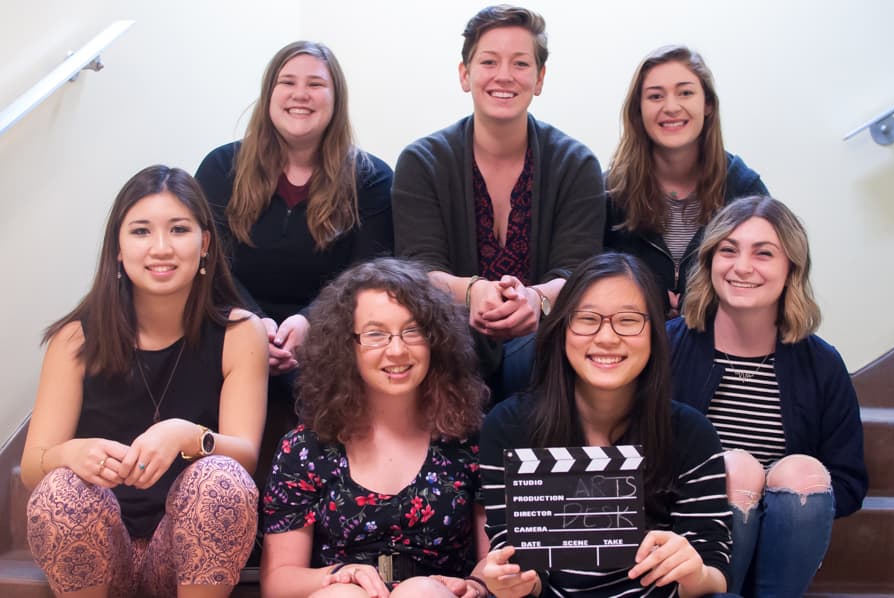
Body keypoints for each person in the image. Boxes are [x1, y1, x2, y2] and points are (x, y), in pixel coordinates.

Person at [20, 165, 269, 597]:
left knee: (223, 478)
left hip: (184, 548)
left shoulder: (240, 332)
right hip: (100, 544)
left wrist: (189, 436)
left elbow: (245, 456)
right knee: (60, 486)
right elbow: (32, 465)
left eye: (178, 229)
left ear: (204, 243)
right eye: (140, 232)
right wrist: (70, 452)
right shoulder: (76, 337)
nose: (161, 248)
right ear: (117, 247)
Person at [479, 253, 732, 597]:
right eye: (587, 319)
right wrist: (511, 582)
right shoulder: (509, 427)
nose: (608, 337)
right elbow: (518, 562)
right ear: (562, 329)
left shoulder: (692, 434)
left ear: (655, 333)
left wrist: (695, 571)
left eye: (628, 320)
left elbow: (716, 571)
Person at [392, 5, 605, 401]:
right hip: (444, 346)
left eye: (520, 63)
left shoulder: (577, 165)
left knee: (539, 353)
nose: (504, 75)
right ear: (465, 74)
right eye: (489, 61)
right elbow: (419, 270)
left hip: (547, 350)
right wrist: (472, 292)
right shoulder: (422, 162)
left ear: (539, 79)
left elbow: (578, 273)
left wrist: (535, 299)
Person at [668, 195, 868, 596]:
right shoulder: (668, 346)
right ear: (709, 262)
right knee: (736, 468)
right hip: (692, 543)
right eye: (728, 250)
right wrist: (739, 490)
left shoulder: (823, 365)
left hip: (788, 539)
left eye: (764, 254)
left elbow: (848, 481)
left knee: (801, 472)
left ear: (791, 267)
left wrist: (772, 506)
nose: (742, 267)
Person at [260, 258, 490, 597]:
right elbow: (278, 582)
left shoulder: (470, 437)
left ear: (436, 340)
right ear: (344, 346)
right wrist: (342, 574)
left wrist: (476, 586)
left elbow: (496, 560)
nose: (397, 350)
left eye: (413, 331)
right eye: (375, 334)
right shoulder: (305, 448)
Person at [195, 40, 393, 407]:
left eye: (316, 85)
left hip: (332, 335)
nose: (300, 94)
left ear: (336, 99)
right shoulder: (220, 168)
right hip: (231, 325)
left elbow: (367, 274)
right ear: (269, 94)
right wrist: (253, 324)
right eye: (287, 82)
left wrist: (309, 322)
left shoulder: (371, 178)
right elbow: (209, 263)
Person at [605, 45, 768, 318]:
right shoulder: (610, 192)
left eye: (685, 93)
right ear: (638, 111)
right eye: (655, 96)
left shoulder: (744, 189)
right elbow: (587, 284)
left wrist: (702, 309)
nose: (671, 107)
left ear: (708, 105)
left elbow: (770, 277)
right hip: (630, 343)